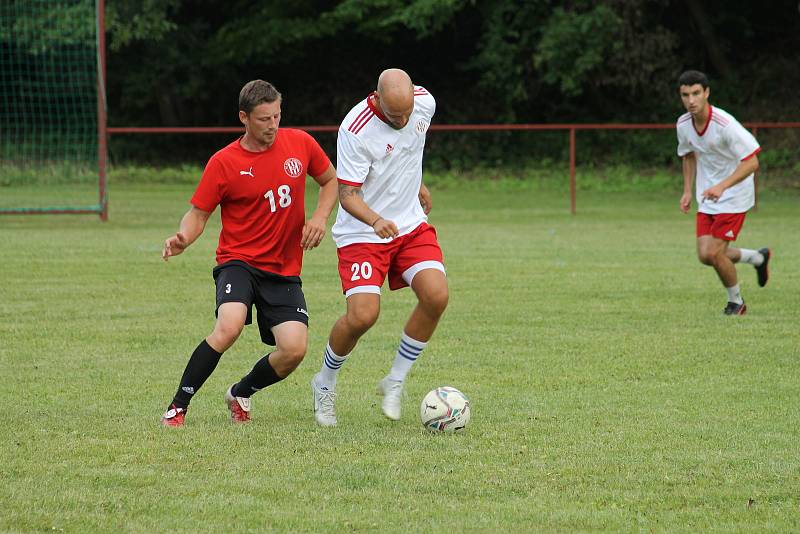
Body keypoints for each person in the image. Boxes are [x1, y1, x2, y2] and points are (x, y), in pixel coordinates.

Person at [160, 80, 338, 426]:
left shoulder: (300, 143)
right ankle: (178, 407)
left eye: (276, 116)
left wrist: (319, 217)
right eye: (263, 119)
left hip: (283, 268)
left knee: (294, 350)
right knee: (228, 327)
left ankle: (241, 391)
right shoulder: (224, 162)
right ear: (243, 117)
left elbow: (330, 180)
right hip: (238, 262)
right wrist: (183, 237)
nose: (272, 126)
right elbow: (198, 214)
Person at [310, 68, 448, 426]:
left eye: (406, 114)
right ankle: (324, 382)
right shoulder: (354, 129)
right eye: (393, 115)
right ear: (376, 98)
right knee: (363, 316)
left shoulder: (425, 103)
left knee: (436, 296)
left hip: (410, 225)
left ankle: (396, 379)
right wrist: (375, 221)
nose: (402, 121)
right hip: (363, 232)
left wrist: (417, 184)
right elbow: (348, 194)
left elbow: (409, 149)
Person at [676, 70, 771, 315]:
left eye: (696, 93)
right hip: (707, 196)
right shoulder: (683, 124)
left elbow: (752, 163)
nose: (691, 100)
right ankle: (758, 258)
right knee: (706, 256)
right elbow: (687, 155)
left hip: (734, 196)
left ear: (707, 93)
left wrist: (722, 186)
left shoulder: (724, 124)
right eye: (686, 95)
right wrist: (687, 190)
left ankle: (736, 303)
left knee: (713, 252)